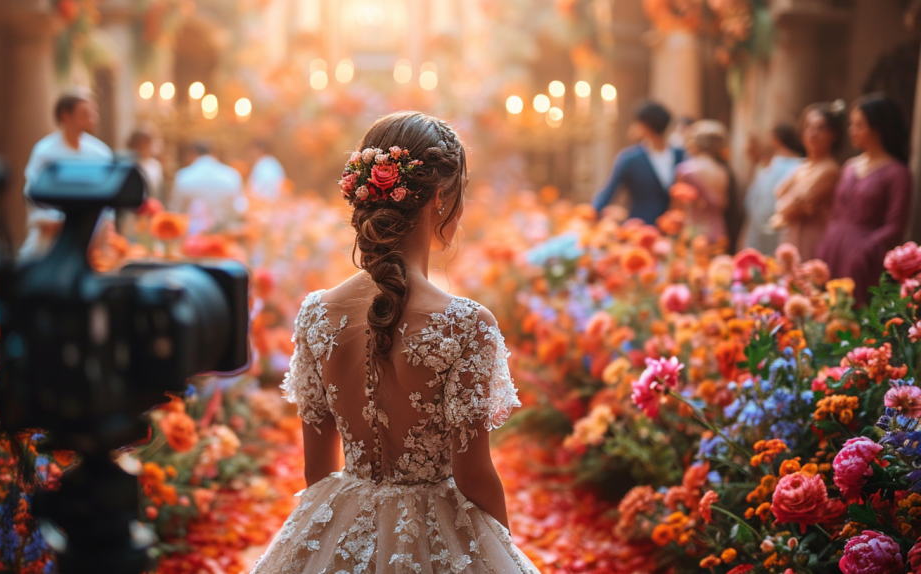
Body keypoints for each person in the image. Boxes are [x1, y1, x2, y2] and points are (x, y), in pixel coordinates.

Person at [250, 112, 539, 573]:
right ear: (441, 199)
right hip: (438, 537)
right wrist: (505, 555)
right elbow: (474, 477)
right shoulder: (467, 324)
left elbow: (317, 472)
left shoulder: (317, 314)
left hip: (337, 532)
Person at [817, 94, 912, 304]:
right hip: (833, 250)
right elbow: (836, 213)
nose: (852, 131)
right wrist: (825, 244)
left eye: (859, 125)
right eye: (852, 124)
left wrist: (864, 250)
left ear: (878, 128)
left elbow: (895, 226)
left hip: (863, 261)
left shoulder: (897, 173)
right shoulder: (850, 166)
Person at [19, 89, 113, 261]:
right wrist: (63, 225)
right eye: (85, 112)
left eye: (94, 111)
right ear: (65, 116)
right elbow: (34, 196)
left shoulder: (100, 154)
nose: (92, 116)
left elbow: (108, 202)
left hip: (91, 244)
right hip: (49, 243)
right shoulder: (45, 152)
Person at [770, 102, 844, 259]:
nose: (813, 133)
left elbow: (790, 208)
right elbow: (779, 195)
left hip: (813, 240)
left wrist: (785, 208)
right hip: (792, 238)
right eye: (808, 127)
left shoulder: (829, 169)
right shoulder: (802, 166)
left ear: (833, 134)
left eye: (820, 128)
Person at [592, 101, 684, 224]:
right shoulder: (630, 158)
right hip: (639, 228)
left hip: (674, 228)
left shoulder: (681, 155)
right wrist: (592, 212)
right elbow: (607, 193)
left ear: (645, 126)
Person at [742, 124, 805, 254]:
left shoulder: (769, 170)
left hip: (768, 233)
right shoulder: (801, 165)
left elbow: (750, 204)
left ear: (774, 140)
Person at [170, 140, 245, 235]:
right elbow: (239, 210)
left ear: (192, 153)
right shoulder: (232, 175)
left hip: (192, 241)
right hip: (225, 238)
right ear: (214, 153)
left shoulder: (182, 176)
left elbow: (176, 211)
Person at [674, 120, 730, 245]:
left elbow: (678, 207)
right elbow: (723, 203)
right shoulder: (722, 172)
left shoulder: (685, 170)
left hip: (694, 232)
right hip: (718, 232)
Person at [126, 127, 164, 202]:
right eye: (140, 143)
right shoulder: (128, 164)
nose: (143, 146)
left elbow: (159, 192)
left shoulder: (155, 165)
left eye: (146, 143)